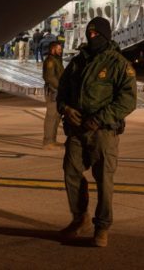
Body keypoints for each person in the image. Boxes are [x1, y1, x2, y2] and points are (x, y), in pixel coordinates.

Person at [57, 17, 136, 247]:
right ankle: (80, 218)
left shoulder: (118, 63)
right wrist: (66, 109)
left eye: (96, 34)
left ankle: (102, 226)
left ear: (105, 35)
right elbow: (61, 92)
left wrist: (101, 118)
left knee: (104, 180)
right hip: (76, 129)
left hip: (103, 132)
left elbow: (128, 101)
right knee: (71, 172)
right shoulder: (76, 62)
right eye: (89, 34)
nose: (91, 38)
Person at [42, 42, 65, 150]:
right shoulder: (50, 61)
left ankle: (52, 140)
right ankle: (47, 142)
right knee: (51, 117)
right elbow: (49, 77)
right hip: (53, 92)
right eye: (59, 49)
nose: (60, 51)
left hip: (58, 91)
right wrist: (61, 87)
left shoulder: (57, 60)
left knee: (56, 117)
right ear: (53, 49)